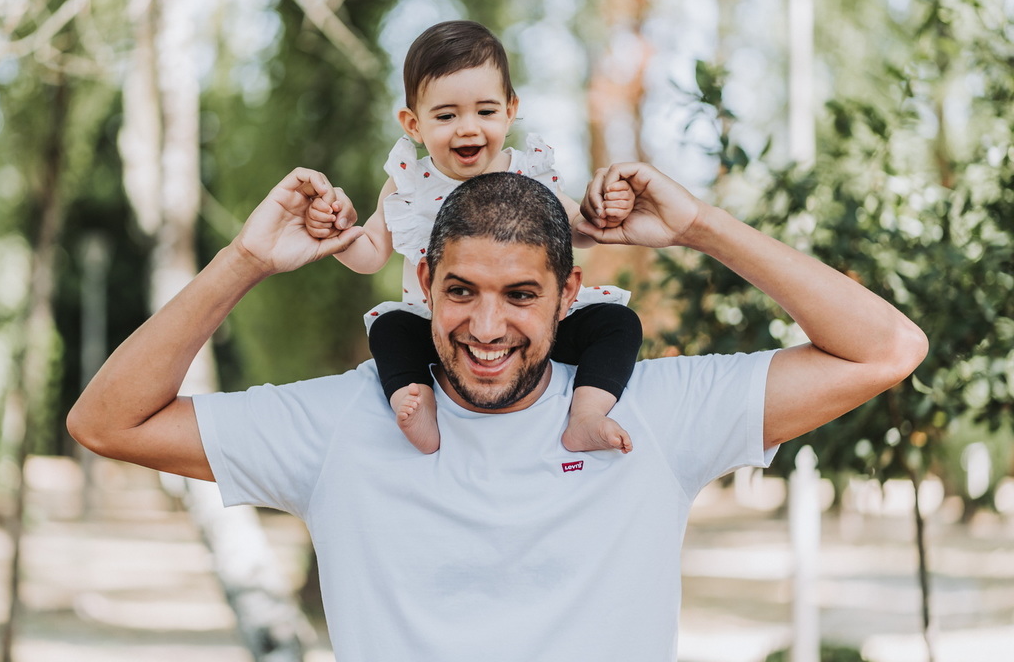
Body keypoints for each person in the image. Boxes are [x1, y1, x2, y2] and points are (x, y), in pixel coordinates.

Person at [68, 163, 927, 661]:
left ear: (569, 294)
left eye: (520, 295)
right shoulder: (340, 423)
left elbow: (886, 349)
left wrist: (700, 226)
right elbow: (107, 422)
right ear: (423, 284)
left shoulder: (654, 411)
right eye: (460, 292)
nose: (486, 328)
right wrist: (245, 260)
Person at [304, 19, 642, 454]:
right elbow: (370, 255)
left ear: (510, 110)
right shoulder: (409, 183)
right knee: (389, 330)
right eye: (446, 116)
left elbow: (578, 229)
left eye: (485, 112)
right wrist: (336, 232)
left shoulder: (528, 170)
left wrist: (603, 210)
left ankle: (587, 414)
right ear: (413, 124)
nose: (468, 128)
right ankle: (417, 403)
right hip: (441, 333)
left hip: (531, 326)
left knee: (617, 323)